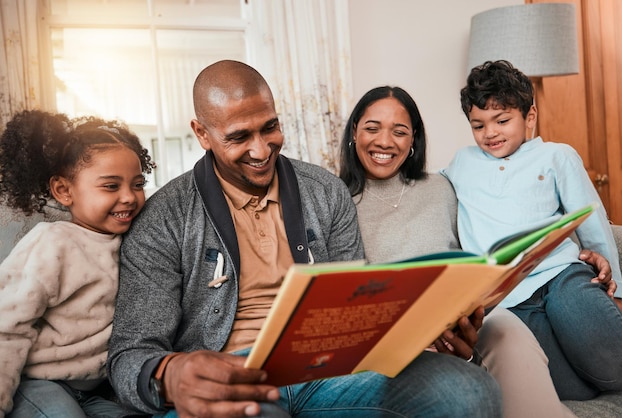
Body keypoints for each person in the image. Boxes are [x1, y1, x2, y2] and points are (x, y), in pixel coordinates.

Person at [106, 59, 503, 418]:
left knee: (470, 391)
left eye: (270, 128)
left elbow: (356, 316)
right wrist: (169, 374)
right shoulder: (163, 219)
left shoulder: (327, 192)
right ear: (202, 133)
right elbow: (128, 355)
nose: (262, 150)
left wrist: (426, 329)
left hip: (330, 373)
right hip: (233, 381)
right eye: (239, 137)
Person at [338, 85, 613, 417]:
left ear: (414, 140)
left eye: (399, 131)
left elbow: (500, 213)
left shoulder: (442, 186)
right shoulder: (335, 202)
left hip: (470, 318)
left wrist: (588, 249)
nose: (384, 141)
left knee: (505, 326)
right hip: (399, 338)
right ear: (354, 131)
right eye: (372, 128)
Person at [442, 60, 622, 400]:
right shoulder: (462, 162)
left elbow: (592, 219)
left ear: (529, 117)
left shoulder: (556, 156)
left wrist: (617, 287)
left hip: (562, 277)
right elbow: (427, 188)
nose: (490, 133)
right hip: (509, 302)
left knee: (617, 370)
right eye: (478, 125)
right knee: (572, 392)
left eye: (502, 120)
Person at [0, 110, 154, 417]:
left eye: (137, 184)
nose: (129, 197)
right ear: (64, 191)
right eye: (111, 186)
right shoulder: (52, 243)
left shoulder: (135, 241)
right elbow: (7, 327)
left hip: (94, 391)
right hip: (38, 383)